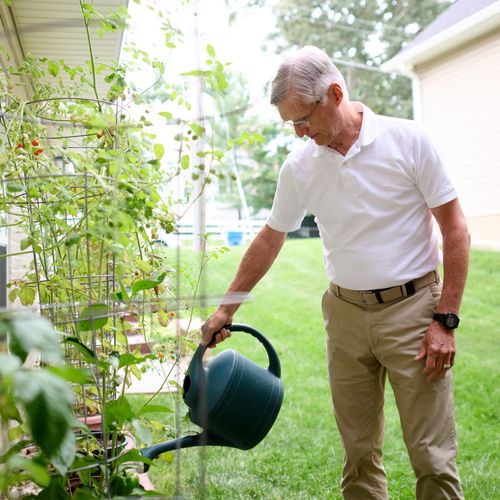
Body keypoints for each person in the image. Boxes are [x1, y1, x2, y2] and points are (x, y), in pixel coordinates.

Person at [201, 45, 470, 500]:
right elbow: (270, 237)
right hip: (344, 316)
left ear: (335, 93)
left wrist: (446, 319)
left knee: (431, 455)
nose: (301, 133)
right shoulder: (301, 165)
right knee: (359, 455)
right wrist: (226, 309)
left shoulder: (409, 140)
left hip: (414, 311)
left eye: (303, 119)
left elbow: (455, 229)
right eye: (292, 125)